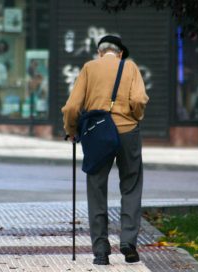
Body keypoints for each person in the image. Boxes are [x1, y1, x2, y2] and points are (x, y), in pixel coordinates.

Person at [61, 35, 149, 265]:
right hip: (128, 132)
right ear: (120, 53)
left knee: (96, 188)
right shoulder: (130, 67)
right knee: (131, 185)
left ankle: (101, 251)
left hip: (98, 133)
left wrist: (71, 130)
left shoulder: (89, 68)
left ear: (100, 53)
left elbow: (71, 106)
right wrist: (135, 117)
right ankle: (128, 241)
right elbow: (139, 99)